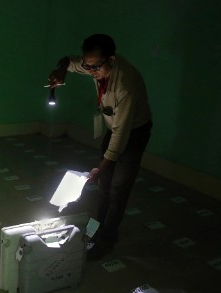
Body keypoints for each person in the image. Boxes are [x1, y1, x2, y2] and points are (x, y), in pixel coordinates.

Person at [47, 34, 153, 261]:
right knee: (104, 187)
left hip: (134, 132)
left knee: (118, 188)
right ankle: (95, 228)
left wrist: (102, 167)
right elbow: (69, 60)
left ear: (111, 60)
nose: (90, 71)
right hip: (113, 126)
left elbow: (120, 137)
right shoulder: (95, 65)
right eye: (87, 65)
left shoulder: (126, 84)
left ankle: (107, 238)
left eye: (95, 66)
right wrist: (61, 70)